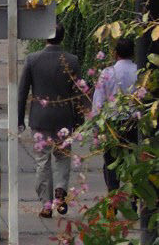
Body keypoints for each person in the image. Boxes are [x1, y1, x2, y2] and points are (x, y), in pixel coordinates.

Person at [17, 32, 86, 216]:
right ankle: (61, 189)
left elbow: (22, 91)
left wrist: (19, 119)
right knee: (62, 156)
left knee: (42, 161)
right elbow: (78, 92)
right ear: (63, 38)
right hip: (64, 117)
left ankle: (46, 204)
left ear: (45, 37)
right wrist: (80, 118)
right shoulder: (72, 60)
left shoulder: (32, 60)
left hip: (40, 118)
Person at [92, 36, 142, 193]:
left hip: (111, 123)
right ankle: (133, 199)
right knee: (132, 158)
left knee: (110, 161)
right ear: (133, 53)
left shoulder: (108, 73)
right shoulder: (139, 72)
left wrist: (96, 126)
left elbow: (98, 101)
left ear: (115, 53)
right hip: (134, 122)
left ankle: (112, 199)